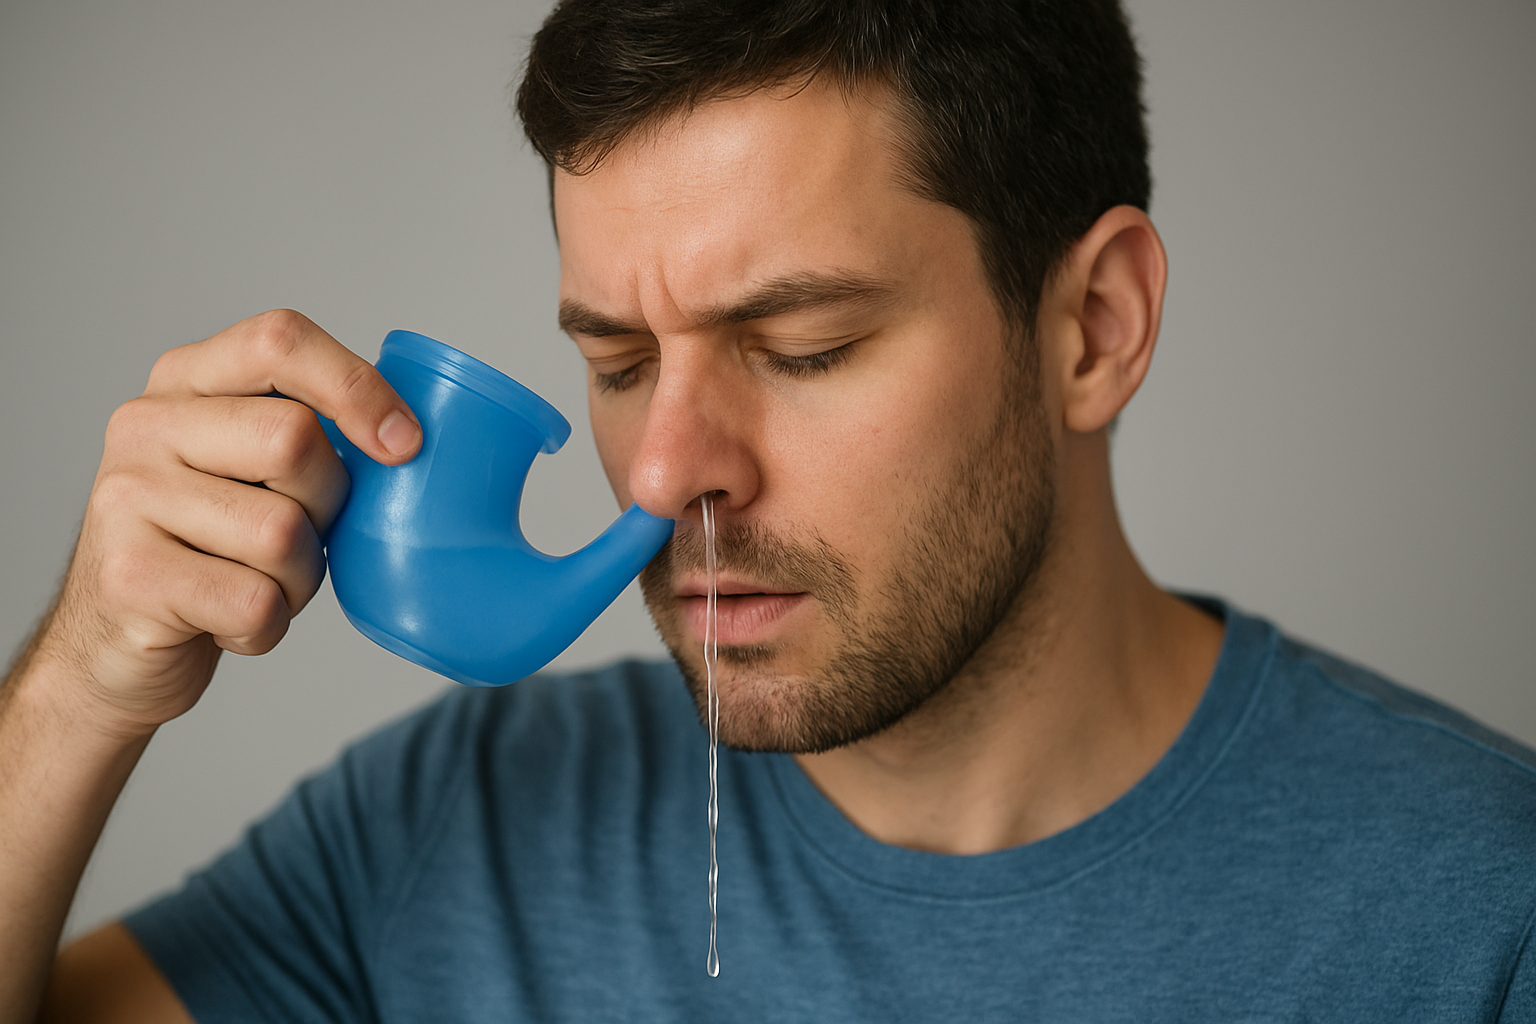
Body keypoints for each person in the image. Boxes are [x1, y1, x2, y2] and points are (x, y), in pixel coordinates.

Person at [3, 0, 1533, 1019]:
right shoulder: (447, 832)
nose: (667, 476)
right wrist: (79, 690)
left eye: (804, 349)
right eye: (614, 361)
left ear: (1095, 328)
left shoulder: (1481, 916)